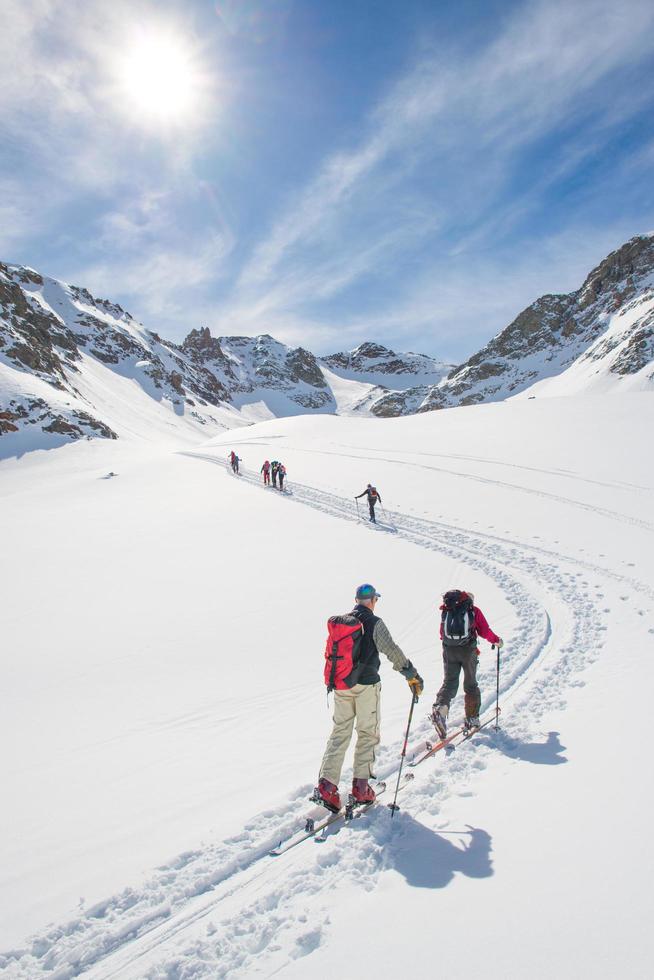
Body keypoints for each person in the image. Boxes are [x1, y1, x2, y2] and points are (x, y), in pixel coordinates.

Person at [314, 583, 424, 812]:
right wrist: (411, 674)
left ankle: (326, 786)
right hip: (367, 687)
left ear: (356, 600)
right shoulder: (375, 623)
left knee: (340, 733)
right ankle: (361, 788)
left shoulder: (343, 623)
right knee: (367, 733)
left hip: (342, 686)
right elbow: (391, 650)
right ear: (373, 600)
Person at [431, 590, 502, 737]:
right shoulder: (473, 611)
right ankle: (472, 718)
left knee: (449, 682)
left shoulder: (447, 610)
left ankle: (440, 709)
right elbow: (484, 630)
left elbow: (441, 634)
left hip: (449, 650)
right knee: (470, 684)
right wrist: (496, 640)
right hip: (468, 651)